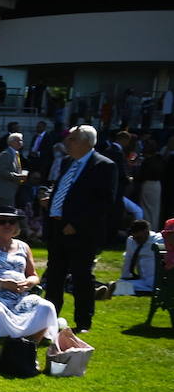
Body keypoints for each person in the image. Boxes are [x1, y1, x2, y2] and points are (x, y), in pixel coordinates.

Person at [0, 206, 59, 377]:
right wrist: (2, 284)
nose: (7, 225)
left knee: (45, 306)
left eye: (12, 221)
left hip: (19, 297)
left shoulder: (23, 247)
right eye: (2, 221)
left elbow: (34, 275)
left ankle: (27, 351)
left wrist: (28, 282)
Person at [45, 125, 118, 332]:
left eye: (73, 139)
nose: (68, 142)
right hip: (58, 227)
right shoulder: (69, 162)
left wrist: (76, 224)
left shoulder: (104, 166)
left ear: (87, 142)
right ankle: (49, 318)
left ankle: (83, 321)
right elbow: (65, 190)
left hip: (82, 233)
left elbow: (103, 202)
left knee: (81, 276)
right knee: (54, 276)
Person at [119, 220, 158, 294]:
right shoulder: (131, 240)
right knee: (120, 284)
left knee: (119, 287)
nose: (136, 241)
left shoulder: (158, 240)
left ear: (146, 231)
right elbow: (128, 259)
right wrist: (124, 277)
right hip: (142, 279)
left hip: (154, 280)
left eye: (139, 237)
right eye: (135, 238)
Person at [0, 132, 27, 210]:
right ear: (11, 142)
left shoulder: (16, 154)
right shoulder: (6, 154)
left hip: (12, 191)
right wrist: (18, 176)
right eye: (19, 140)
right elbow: (1, 172)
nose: (21, 143)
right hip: (4, 192)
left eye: (21, 140)